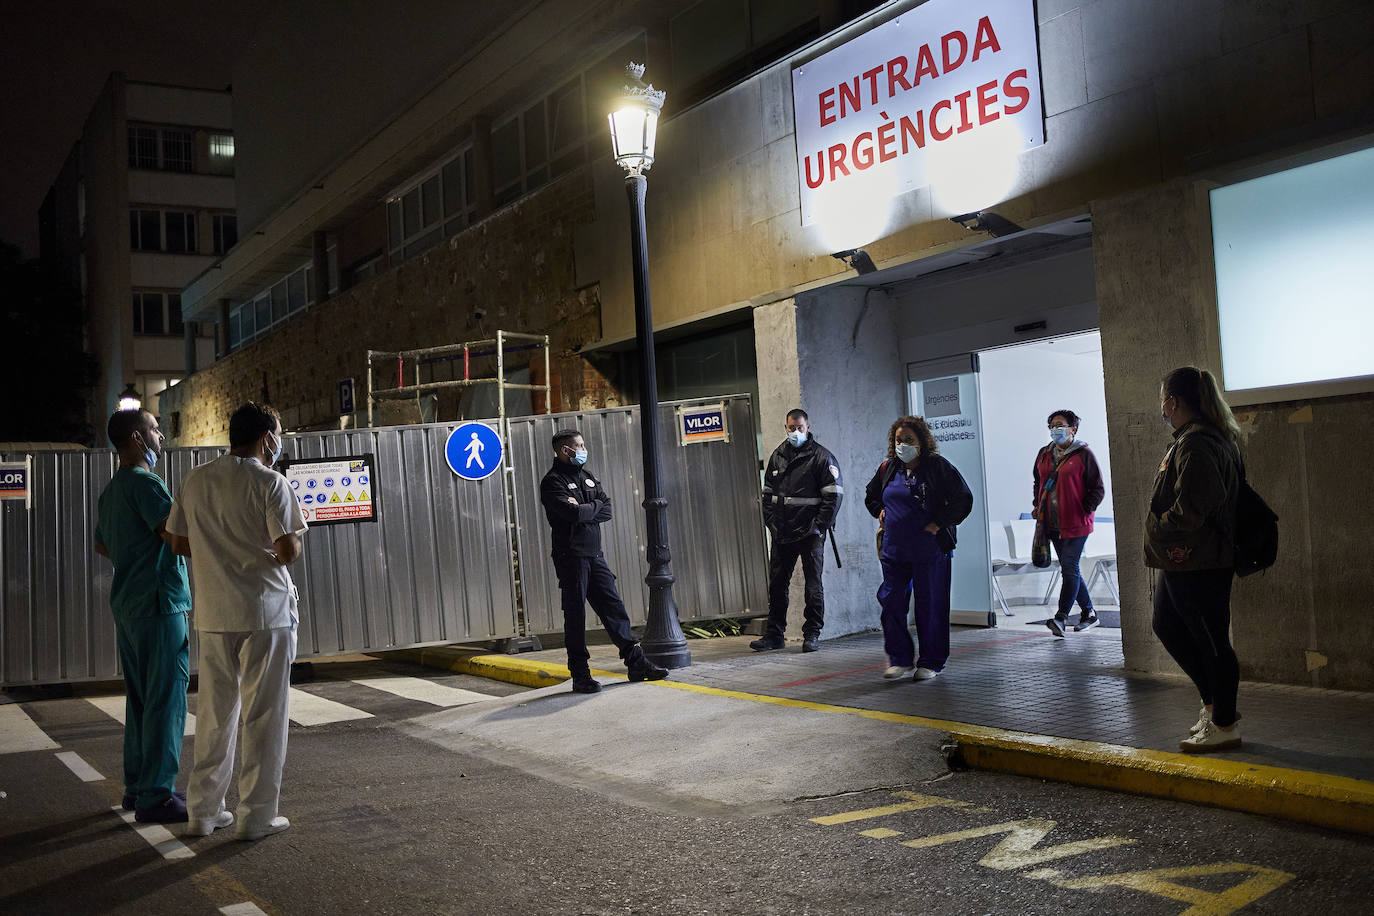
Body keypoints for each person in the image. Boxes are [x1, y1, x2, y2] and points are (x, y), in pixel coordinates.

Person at [166, 402, 307, 839]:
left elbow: (176, 542)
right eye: (278, 434)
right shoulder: (270, 482)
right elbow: (288, 551)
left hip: (213, 614)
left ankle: (203, 812)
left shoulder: (196, 479)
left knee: (214, 714)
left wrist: (217, 555)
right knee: (264, 715)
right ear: (267, 438)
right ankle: (256, 817)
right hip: (265, 613)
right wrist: (259, 552)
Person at [93, 408, 192, 824]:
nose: (160, 435)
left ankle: (138, 787)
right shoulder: (146, 483)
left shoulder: (112, 490)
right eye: (154, 429)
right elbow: (176, 538)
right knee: (167, 699)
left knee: (140, 700)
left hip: (130, 606)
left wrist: (133, 557)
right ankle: (157, 795)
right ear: (136, 438)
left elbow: (103, 545)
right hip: (159, 604)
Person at [1148, 367, 1244, 753]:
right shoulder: (1191, 439)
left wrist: (1159, 527)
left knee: (1212, 642)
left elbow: (1193, 507)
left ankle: (1225, 723)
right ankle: (1213, 706)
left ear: (1173, 401)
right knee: (1167, 625)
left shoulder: (1199, 444)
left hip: (1199, 560)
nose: (1162, 407)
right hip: (1184, 560)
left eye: (1163, 400)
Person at [539, 428, 669, 693]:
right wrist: (588, 509)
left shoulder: (587, 477)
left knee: (614, 608)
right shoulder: (552, 482)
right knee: (575, 617)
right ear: (566, 450)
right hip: (571, 558)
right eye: (580, 446)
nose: (584, 450)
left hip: (595, 556)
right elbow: (571, 514)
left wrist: (585, 508)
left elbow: (606, 508)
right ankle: (580, 674)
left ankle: (636, 664)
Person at [864, 416, 972, 681]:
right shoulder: (888, 468)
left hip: (930, 549)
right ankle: (899, 659)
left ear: (922, 442)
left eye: (909, 440)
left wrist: (940, 523)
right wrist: (879, 510)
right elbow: (871, 496)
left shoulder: (937, 467)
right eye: (899, 440)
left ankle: (932, 661)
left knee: (930, 605)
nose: (903, 445)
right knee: (891, 602)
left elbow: (963, 499)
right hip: (894, 549)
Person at [752, 409, 843, 653]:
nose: (795, 433)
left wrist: (818, 527)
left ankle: (812, 634)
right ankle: (774, 636)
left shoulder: (822, 457)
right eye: (791, 428)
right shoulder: (778, 455)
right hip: (782, 532)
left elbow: (833, 497)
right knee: (777, 585)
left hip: (810, 533)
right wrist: (771, 523)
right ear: (786, 427)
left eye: (799, 428)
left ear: (808, 427)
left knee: (813, 586)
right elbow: (767, 494)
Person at [1031, 409, 1106, 637]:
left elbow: (1098, 488)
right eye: (1052, 425)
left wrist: (1085, 508)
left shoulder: (1083, 454)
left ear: (1073, 429)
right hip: (1051, 523)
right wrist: (1037, 503)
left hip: (1076, 523)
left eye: (1061, 425)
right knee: (1069, 568)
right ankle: (1089, 613)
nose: (1056, 429)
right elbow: (1038, 481)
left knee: (1070, 567)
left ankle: (1061, 617)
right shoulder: (1044, 454)